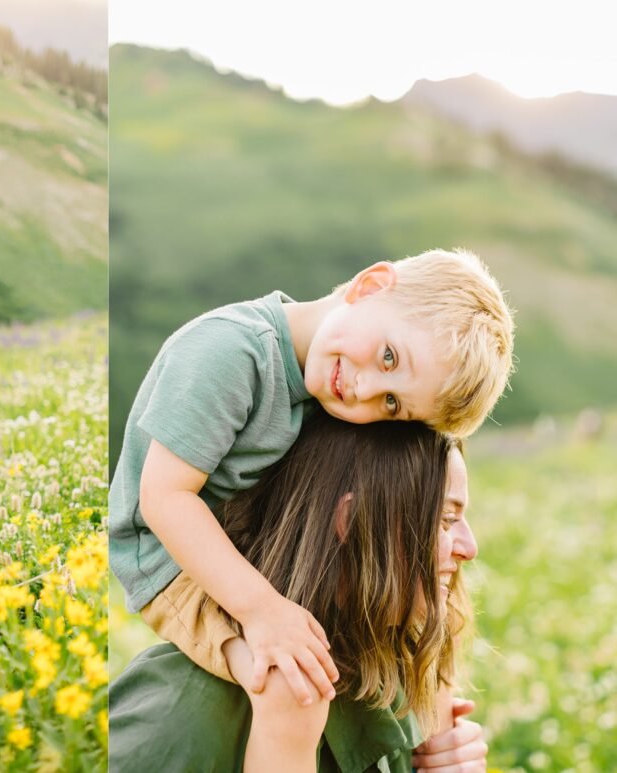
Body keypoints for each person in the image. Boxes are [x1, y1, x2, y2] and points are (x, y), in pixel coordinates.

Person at [109, 248, 512, 759]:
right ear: (370, 284)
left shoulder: (324, 376)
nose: (365, 390)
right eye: (389, 357)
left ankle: (436, 746)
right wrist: (264, 612)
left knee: (428, 617)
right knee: (288, 686)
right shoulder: (230, 353)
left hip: (225, 540)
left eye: (392, 404)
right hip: (165, 558)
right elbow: (164, 498)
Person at [109, 412, 487, 772]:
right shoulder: (181, 717)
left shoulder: (389, 679)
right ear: (353, 523)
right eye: (445, 520)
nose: (469, 547)